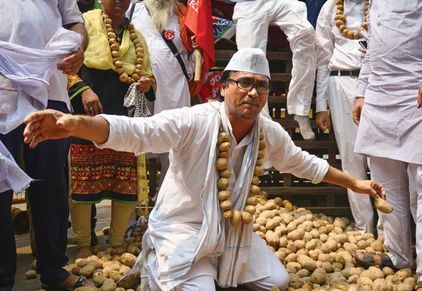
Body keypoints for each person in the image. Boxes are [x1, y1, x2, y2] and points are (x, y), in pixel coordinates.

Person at [23, 48, 385, 291]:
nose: (253, 93)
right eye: (244, 83)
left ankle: (199, 272)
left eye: (261, 86)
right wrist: (74, 125)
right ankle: (155, 263)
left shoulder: (266, 131)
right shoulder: (195, 120)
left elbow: (303, 163)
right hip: (183, 228)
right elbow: (137, 132)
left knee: (276, 280)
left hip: (230, 229)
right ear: (224, 87)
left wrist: (355, 182)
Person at [0, 1, 92, 290]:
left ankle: (53, 270)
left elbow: (76, 23)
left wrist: (79, 49)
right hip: (2, 87)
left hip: (50, 87)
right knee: (0, 185)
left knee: (51, 182)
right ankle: (2, 278)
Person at [352, 1, 422, 290]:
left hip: (419, 88)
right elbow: (373, 43)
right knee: (386, 185)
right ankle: (398, 255)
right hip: (379, 91)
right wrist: (361, 91)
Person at [66, 0, 155, 259]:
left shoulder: (136, 35)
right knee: (83, 183)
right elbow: (67, 65)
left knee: (125, 183)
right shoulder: (85, 24)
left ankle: (116, 242)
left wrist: (148, 85)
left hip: (124, 120)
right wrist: (84, 91)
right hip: (87, 115)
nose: (119, 1)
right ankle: (84, 243)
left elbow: (149, 76)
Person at [315, 0, 374, 233]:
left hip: (375, 82)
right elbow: (322, 58)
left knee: (381, 159)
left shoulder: (379, 5)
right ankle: (364, 230)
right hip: (339, 81)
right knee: (351, 158)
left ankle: (392, 233)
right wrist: (321, 104)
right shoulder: (330, 7)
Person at [130, 0, 204, 181]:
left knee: (173, 149)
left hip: (174, 89)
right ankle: (133, 205)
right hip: (140, 87)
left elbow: (195, 57)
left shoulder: (184, 14)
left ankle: (169, 203)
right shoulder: (132, 10)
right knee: (134, 142)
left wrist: (196, 45)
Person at [232, 0, 317, 140]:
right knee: (251, 58)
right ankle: (263, 122)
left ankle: (299, 108)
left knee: (306, 34)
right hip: (249, 4)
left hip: (280, 2)